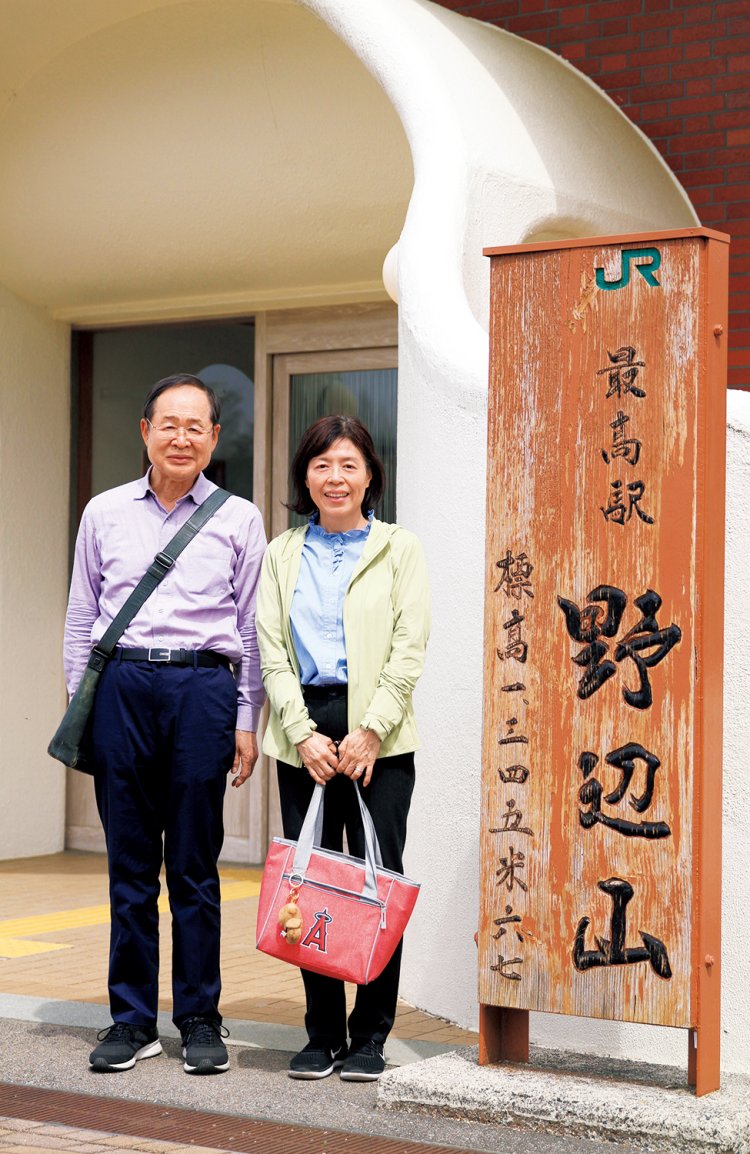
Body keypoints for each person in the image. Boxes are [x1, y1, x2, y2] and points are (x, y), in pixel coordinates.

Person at [63, 373, 266, 1075]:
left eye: (195, 426)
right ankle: (130, 1019)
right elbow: (82, 615)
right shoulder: (104, 511)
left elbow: (251, 628)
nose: (182, 437)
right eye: (169, 424)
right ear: (146, 431)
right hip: (121, 689)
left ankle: (200, 1017)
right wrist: (82, 705)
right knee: (128, 866)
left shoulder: (239, 518)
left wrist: (246, 717)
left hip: (202, 689)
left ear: (214, 438)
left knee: (194, 866)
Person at [256, 414, 430, 1082]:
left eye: (348, 465)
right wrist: (300, 732)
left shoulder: (399, 548)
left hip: (379, 733)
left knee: (377, 877)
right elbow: (272, 649)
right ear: (306, 476)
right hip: (304, 728)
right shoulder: (281, 553)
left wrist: (372, 729)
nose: (335, 477)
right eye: (322, 464)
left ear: (369, 476)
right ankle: (322, 1032)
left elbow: (410, 647)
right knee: (311, 877)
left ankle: (371, 1034)